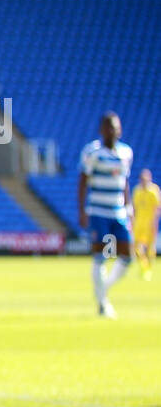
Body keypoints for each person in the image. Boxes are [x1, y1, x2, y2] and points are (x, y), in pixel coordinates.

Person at [78, 112, 133, 318]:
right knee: (101, 257)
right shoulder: (93, 152)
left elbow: (125, 182)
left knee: (127, 256)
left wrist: (129, 208)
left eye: (115, 127)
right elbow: (83, 180)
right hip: (99, 212)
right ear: (101, 130)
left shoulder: (126, 153)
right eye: (108, 127)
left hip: (118, 212)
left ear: (120, 129)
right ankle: (102, 304)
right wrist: (82, 210)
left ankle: (103, 289)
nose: (112, 130)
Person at [132, 169, 159, 281]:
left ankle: (148, 269)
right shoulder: (137, 191)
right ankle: (144, 265)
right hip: (138, 223)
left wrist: (155, 223)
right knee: (135, 247)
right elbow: (134, 208)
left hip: (149, 223)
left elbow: (157, 209)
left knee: (150, 247)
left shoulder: (153, 191)